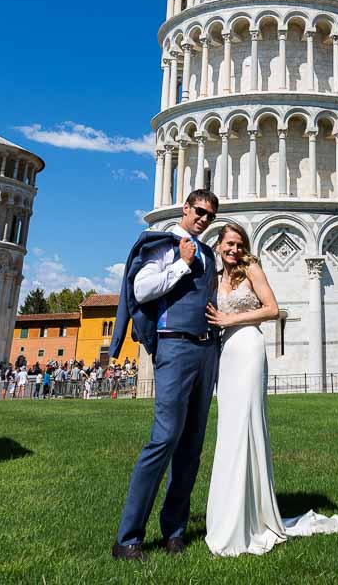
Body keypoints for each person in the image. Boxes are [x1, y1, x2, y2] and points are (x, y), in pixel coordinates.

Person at [204, 222, 338, 557]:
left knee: (248, 425)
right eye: (229, 243)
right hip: (227, 354)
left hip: (250, 347)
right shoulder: (213, 277)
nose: (234, 249)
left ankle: (255, 517)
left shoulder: (250, 268)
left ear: (245, 246)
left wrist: (230, 321)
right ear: (219, 245)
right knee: (229, 430)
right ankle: (232, 516)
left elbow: (272, 309)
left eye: (239, 244)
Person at [110, 189, 220, 561]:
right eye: (200, 211)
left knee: (191, 446)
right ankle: (128, 537)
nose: (204, 219)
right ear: (186, 209)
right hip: (175, 346)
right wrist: (181, 264)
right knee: (164, 439)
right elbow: (141, 290)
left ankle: (174, 530)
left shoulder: (207, 252)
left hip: (206, 350)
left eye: (210, 215)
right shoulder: (165, 245)